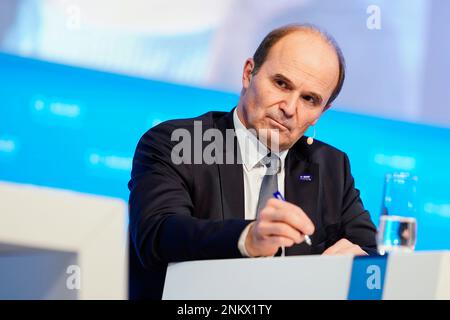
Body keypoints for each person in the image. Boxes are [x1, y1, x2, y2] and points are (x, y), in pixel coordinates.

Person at [128, 24, 377, 299]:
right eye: (281, 84)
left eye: (309, 99)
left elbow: (372, 252)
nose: (289, 108)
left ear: (321, 112)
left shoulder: (330, 166)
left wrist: (362, 262)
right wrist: (249, 238)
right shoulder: (179, 142)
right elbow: (158, 234)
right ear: (249, 73)